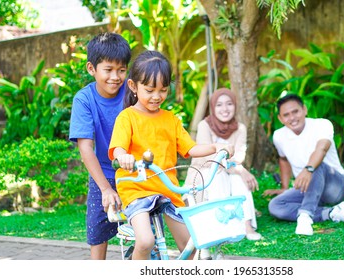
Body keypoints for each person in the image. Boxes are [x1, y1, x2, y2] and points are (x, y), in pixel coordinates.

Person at [108, 50, 233, 260]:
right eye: (149, 90)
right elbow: (118, 149)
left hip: (167, 188)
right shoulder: (127, 117)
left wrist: (216, 148)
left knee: (191, 247)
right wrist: (124, 157)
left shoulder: (170, 119)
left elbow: (191, 148)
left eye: (163, 90)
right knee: (146, 241)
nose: (157, 96)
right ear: (133, 86)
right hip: (136, 188)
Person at [69, 32, 131, 259]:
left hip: (133, 173)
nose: (115, 76)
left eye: (122, 70)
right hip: (102, 174)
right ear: (91, 69)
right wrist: (105, 188)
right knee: (98, 234)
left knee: (144, 231)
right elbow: (85, 147)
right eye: (108, 69)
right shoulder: (84, 100)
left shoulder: (132, 93)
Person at [263, 94, 344, 236]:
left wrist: (308, 169)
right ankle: (331, 213)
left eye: (295, 112)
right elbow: (283, 159)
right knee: (275, 206)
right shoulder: (279, 136)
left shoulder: (322, 124)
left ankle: (305, 217)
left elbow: (321, 149)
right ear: (280, 118)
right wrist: (285, 188)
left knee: (318, 165)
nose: (292, 118)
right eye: (286, 115)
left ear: (304, 110)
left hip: (335, 187)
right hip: (307, 189)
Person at [184, 88, 262, 242]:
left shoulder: (240, 128)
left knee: (239, 180)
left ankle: (246, 225)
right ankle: (222, 224)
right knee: (217, 174)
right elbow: (209, 156)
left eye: (229, 104)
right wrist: (239, 168)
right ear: (213, 107)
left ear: (235, 105)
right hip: (204, 172)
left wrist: (238, 169)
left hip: (229, 171)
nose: (225, 109)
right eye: (219, 105)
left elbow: (239, 156)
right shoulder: (204, 126)